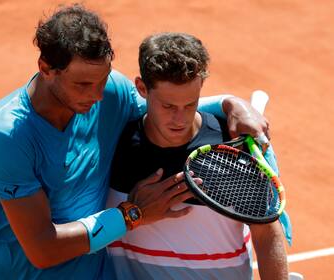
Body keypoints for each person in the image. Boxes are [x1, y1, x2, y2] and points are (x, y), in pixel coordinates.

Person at [0, 5, 272, 280]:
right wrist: (132, 214)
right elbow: (43, 249)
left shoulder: (110, 92)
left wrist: (231, 104)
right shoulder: (5, 137)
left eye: (102, 81)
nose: (97, 95)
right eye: (82, 84)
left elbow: (163, 105)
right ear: (46, 68)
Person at [107, 32, 288, 280]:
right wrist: (132, 213)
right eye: (168, 106)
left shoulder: (230, 149)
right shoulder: (115, 144)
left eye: (190, 104)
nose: (180, 119)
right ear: (141, 88)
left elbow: (266, 234)